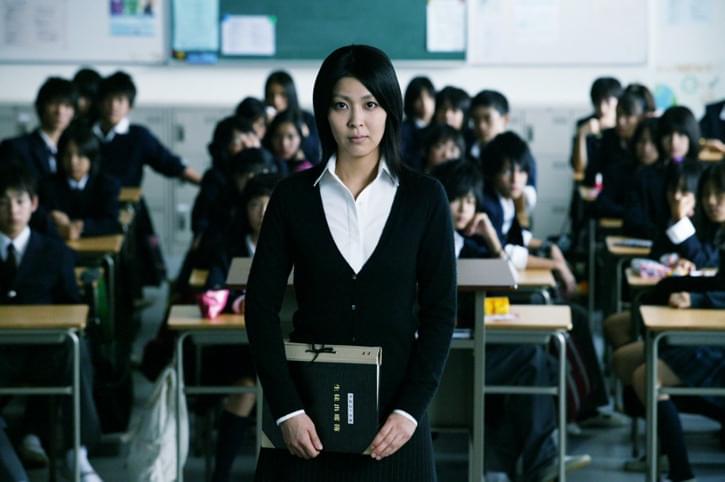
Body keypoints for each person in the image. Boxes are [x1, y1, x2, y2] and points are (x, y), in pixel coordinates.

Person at [245, 44, 456, 481]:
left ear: (389, 110)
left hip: (394, 423)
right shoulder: (292, 197)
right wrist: (286, 409)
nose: (356, 121)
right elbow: (260, 308)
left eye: (370, 104)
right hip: (307, 420)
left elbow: (440, 314)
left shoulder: (424, 198)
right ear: (324, 113)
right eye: (342, 105)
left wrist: (410, 411)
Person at [0, 162, 103, 482]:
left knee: (76, 349)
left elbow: (73, 308)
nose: (12, 210)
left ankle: (78, 452)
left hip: (44, 354)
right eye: (2, 202)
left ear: (33, 204)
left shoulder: (55, 252)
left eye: (19, 201)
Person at [624, 106, 701, 239]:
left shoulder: (702, 175)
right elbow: (632, 221)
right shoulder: (645, 176)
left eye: (681, 135)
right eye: (668, 135)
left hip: (693, 249)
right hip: (653, 245)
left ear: (691, 136)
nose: (673, 142)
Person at [39, 122, 121, 240]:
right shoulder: (47, 184)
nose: (73, 162)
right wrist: (50, 217)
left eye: (80, 155)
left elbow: (112, 223)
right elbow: (35, 217)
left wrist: (81, 226)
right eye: (67, 155)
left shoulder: (107, 184)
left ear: (91, 158)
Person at [0, 77, 77, 183]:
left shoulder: (75, 149)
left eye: (67, 105)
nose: (60, 111)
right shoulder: (15, 148)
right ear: (41, 106)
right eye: (54, 103)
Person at [264, 70, 321, 163]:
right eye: (271, 95)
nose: (275, 101)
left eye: (282, 95)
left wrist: (304, 136)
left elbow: (315, 155)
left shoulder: (307, 119)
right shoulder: (262, 120)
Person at [570, 77, 623, 175]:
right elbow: (578, 168)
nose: (602, 108)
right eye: (597, 102)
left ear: (618, 101)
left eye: (607, 102)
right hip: (589, 185)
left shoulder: (623, 126)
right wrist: (581, 135)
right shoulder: (584, 124)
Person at [400, 76, 436, 170]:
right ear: (411, 102)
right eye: (419, 99)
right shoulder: (403, 130)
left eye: (429, 97)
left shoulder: (439, 127)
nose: (425, 104)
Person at [264, 109, 314, 174]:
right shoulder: (264, 165)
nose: (284, 143)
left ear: (300, 138)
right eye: (277, 136)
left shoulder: (307, 169)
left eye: (290, 137)